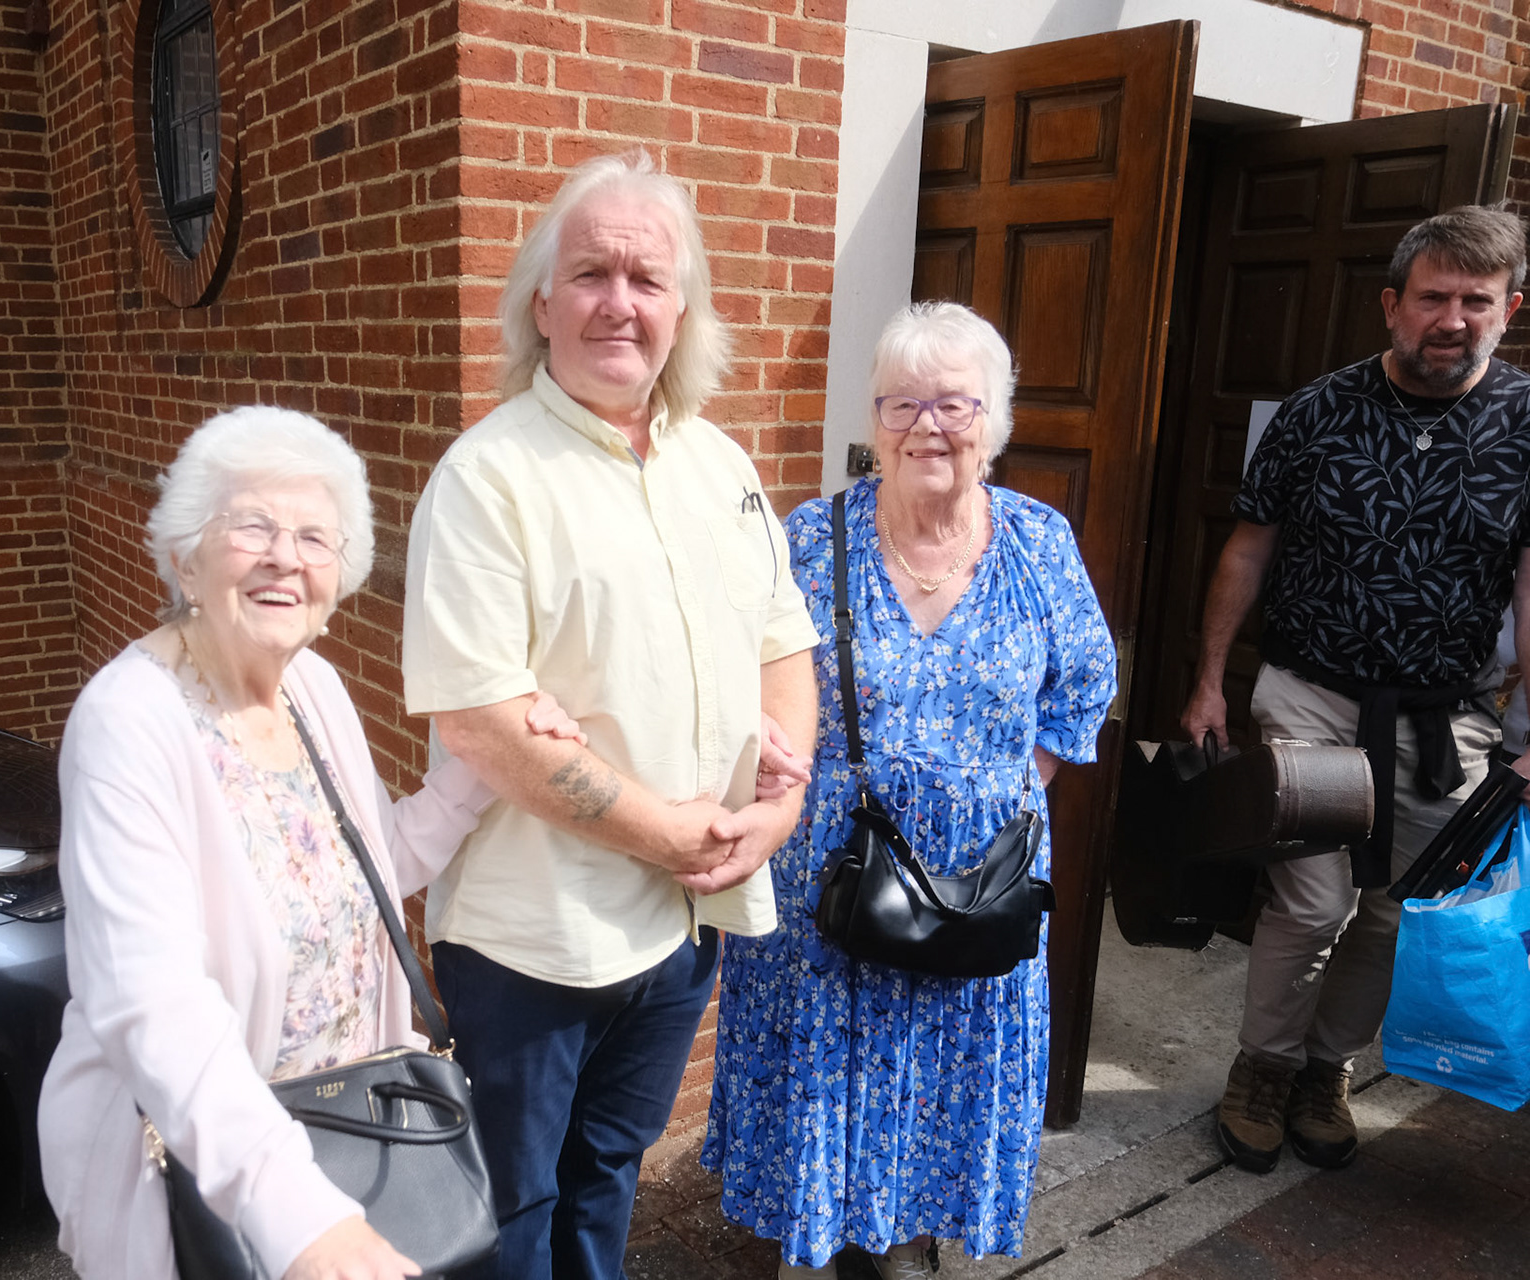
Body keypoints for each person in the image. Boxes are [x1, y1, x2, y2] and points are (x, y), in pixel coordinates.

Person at [37, 406, 586, 1280]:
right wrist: (299, 1216)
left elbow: (375, 867)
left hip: (344, 1133)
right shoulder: (128, 721)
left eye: (314, 538)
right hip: (199, 1171)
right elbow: (151, 998)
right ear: (185, 554)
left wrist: (491, 763)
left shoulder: (312, 688)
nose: (285, 557)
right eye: (252, 526)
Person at [400, 150, 821, 1280]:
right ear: (542, 303)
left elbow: (783, 640)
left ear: (683, 310)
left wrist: (780, 812)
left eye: (647, 279)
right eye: (591, 273)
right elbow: (482, 720)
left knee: (609, 1177)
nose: (619, 302)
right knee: (514, 1209)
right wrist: (672, 834)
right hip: (535, 939)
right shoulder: (489, 477)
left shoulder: (721, 465)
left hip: (684, 923)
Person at [702, 301, 1116, 1275]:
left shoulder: (1038, 540)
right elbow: (738, 671)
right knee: (826, 1074)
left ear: (994, 420)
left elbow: (1085, 684)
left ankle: (908, 1240)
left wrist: (1002, 791)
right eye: (903, 403)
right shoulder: (813, 539)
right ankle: (821, 1240)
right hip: (834, 876)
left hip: (979, 883)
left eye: (954, 404)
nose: (928, 426)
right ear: (876, 420)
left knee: (945, 1075)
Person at [1180, 204, 1530, 1175]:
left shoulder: (1526, 422)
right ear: (1391, 304)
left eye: (1477, 301)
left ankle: (1324, 1070)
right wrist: (1209, 681)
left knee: (1394, 908)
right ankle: (1263, 1065)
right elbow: (1247, 549)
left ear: (1509, 309)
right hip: (1312, 695)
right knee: (1312, 901)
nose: (1452, 319)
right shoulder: (1317, 411)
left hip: (1445, 719)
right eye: (1433, 297)